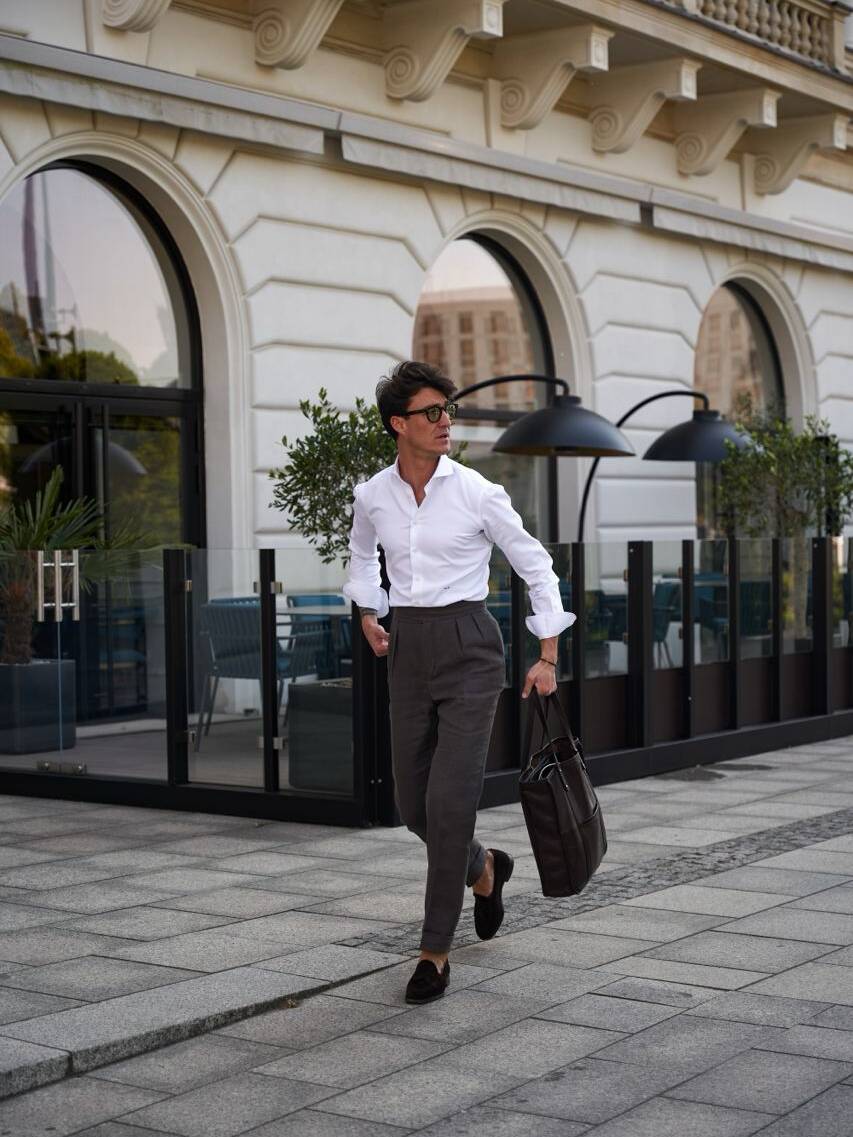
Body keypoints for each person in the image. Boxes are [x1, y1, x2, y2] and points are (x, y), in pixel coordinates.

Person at [343, 360, 575, 1005]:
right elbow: (364, 558)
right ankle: (485, 867)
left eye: (449, 410)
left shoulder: (477, 492)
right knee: (413, 807)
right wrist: (369, 613)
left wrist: (547, 652)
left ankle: (433, 953)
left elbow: (536, 565)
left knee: (448, 807)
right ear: (399, 424)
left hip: (472, 650)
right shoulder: (372, 496)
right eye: (432, 412)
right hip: (408, 651)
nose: (447, 422)